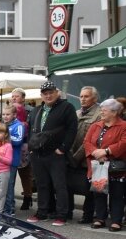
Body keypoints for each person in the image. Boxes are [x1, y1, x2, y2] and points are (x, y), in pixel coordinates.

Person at [27, 82, 78, 226]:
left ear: (57, 93)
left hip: (56, 153)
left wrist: (63, 148)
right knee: (42, 184)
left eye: (51, 92)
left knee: (59, 185)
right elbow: (31, 130)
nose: (48, 95)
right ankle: (42, 212)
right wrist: (30, 147)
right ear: (41, 95)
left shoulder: (67, 107)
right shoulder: (36, 110)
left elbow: (72, 129)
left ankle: (62, 214)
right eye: (45, 93)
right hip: (37, 153)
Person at [84, 98, 126, 231]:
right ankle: (100, 218)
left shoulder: (124, 126)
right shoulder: (95, 125)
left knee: (117, 193)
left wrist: (107, 151)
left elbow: (124, 143)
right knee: (99, 192)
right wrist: (96, 152)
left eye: (104, 110)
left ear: (114, 112)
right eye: (101, 110)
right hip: (98, 164)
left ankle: (116, 220)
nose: (101, 112)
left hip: (116, 166)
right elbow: (87, 142)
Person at [67, 86, 101, 224]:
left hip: (87, 158)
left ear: (95, 98)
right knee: (68, 184)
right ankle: (67, 211)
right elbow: (69, 134)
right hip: (71, 155)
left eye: (86, 96)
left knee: (89, 189)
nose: (82, 99)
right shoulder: (76, 113)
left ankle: (87, 215)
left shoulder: (98, 114)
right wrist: (69, 154)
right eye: (81, 96)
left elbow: (91, 139)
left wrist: (76, 157)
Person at [12, 88, 35, 210]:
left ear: (23, 98)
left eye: (16, 96)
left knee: (26, 174)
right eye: (12, 96)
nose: (14, 98)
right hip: (11, 146)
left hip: (25, 144)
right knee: (11, 174)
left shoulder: (30, 110)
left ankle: (27, 197)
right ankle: (10, 200)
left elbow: (32, 127)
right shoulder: (9, 110)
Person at [2, 105, 25, 216]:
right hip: (2, 160)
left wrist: (5, 137)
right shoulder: (3, 125)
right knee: (3, 184)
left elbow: (18, 140)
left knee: (9, 185)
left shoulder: (18, 125)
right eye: (3, 114)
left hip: (12, 160)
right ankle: (4, 206)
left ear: (14, 115)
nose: (5, 117)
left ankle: (10, 208)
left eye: (8, 114)